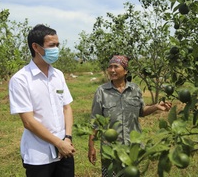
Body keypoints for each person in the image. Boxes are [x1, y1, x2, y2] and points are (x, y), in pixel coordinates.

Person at [88, 55, 172, 177]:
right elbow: (94, 121)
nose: (112, 70)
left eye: (116, 67)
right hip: (111, 150)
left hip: (133, 149)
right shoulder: (102, 91)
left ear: (126, 71)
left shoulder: (135, 89)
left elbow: (141, 111)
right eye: (110, 67)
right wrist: (91, 146)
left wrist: (156, 107)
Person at [9, 24, 75, 177]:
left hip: (64, 149)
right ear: (36, 47)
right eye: (52, 45)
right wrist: (58, 143)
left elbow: (67, 108)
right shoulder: (21, 79)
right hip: (39, 155)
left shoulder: (58, 74)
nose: (56, 49)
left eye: (57, 45)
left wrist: (68, 138)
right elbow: (28, 122)